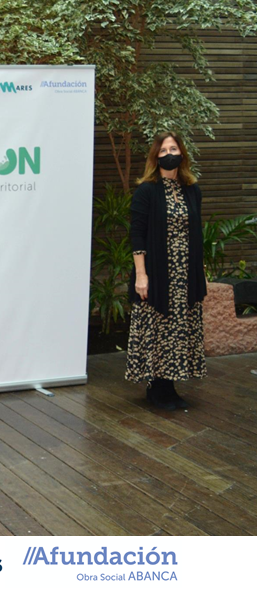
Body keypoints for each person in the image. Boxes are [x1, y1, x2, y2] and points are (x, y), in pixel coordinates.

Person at [126, 132, 207, 409]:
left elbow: (197, 233)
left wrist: (200, 271)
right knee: (158, 327)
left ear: (182, 153)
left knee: (178, 328)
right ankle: (157, 388)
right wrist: (141, 275)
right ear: (155, 157)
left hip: (185, 273)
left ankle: (169, 386)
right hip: (158, 271)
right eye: (163, 150)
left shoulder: (192, 190)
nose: (168, 154)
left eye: (173, 149)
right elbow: (137, 235)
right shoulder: (146, 190)